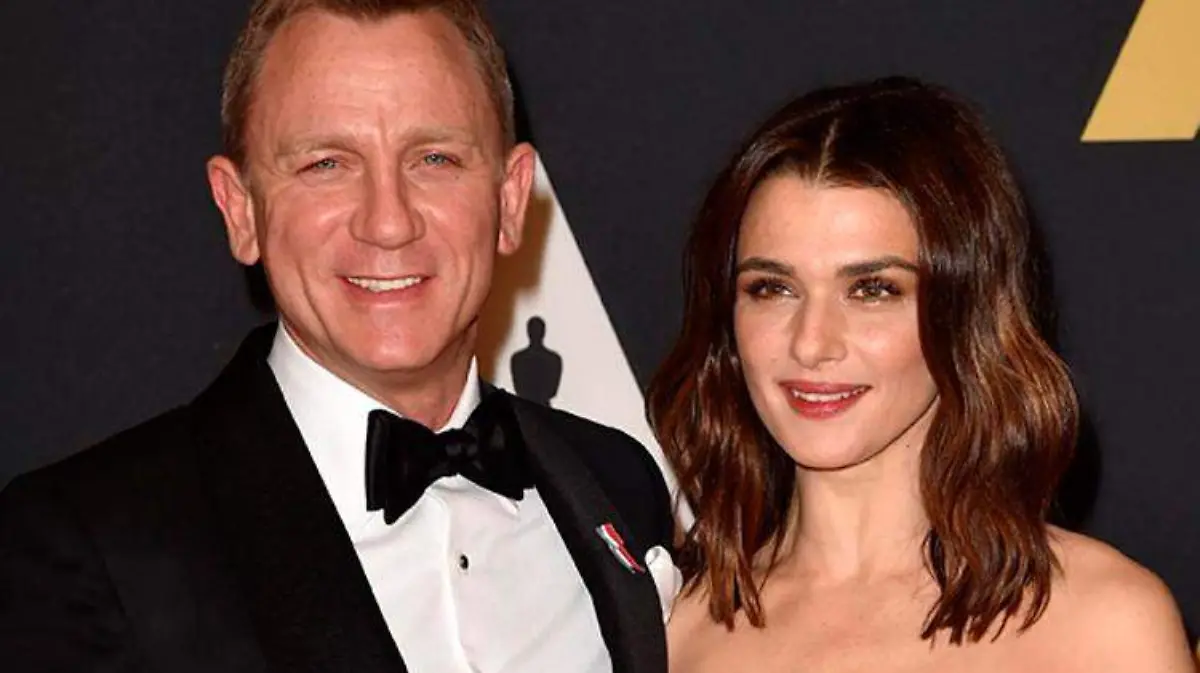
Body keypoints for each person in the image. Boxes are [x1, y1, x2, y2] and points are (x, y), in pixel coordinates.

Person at [0, 1, 678, 671]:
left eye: (434, 158)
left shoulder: (618, 483)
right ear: (241, 210)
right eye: (326, 164)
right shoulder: (90, 547)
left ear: (509, 198)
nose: (388, 222)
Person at [648, 77, 1194, 672]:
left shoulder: (1104, 625)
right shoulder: (677, 631)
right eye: (772, 288)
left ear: (965, 312)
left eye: (872, 289)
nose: (811, 343)